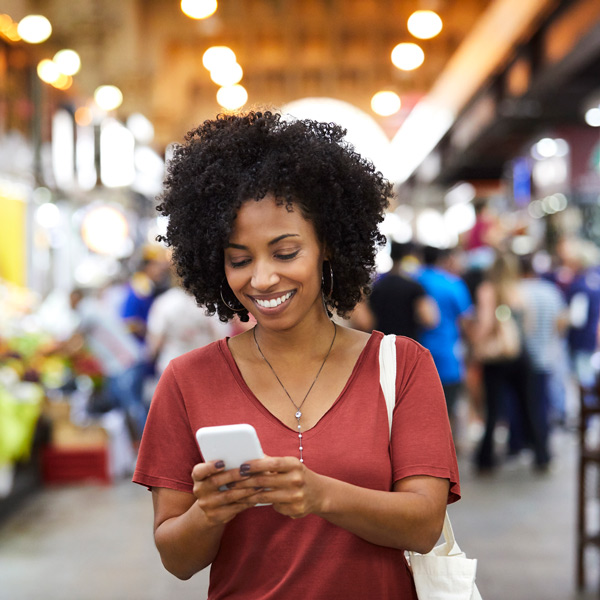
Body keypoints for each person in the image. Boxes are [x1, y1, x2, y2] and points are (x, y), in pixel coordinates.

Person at [132, 111, 459, 599]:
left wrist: (319, 494)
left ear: (328, 245)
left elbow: (424, 523)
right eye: (239, 259)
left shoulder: (402, 365)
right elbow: (177, 560)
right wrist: (211, 513)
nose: (261, 279)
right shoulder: (186, 380)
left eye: (285, 253)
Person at [469, 251, 550, 473]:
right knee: (529, 407)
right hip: (519, 356)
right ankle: (542, 456)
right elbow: (529, 325)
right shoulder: (520, 290)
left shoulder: (487, 290)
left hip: (496, 358)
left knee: (493, 409)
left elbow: (485, 323)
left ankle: (486, 459)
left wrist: (475, 344)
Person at [415, 245, 473, 440]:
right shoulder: (453, 284)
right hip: (448, 357)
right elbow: (466, 322)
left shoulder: (414, 280)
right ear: (443, 260)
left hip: (414, 357)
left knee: (418, 413)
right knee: (447, 411)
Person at [367, 241, 439, 340]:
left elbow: (367, 322)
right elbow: (429, 320)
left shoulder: (377, 286)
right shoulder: (415, 287)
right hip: (407, 345)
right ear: (408, 256)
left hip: (381, 344)